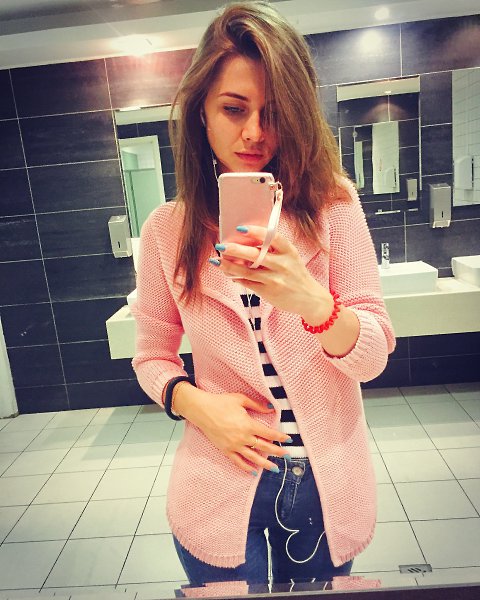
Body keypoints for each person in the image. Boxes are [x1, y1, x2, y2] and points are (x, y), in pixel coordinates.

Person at [131, 0, 396, 586]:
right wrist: (197, 405)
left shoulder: (334, 207)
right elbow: (150, 357)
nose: (254, 132)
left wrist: (314, 304)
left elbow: (373, 356)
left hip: (326, 485)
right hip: (218, 476)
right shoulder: (166, 231)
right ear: (201, 111)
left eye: (273, 112)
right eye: (234, 108)